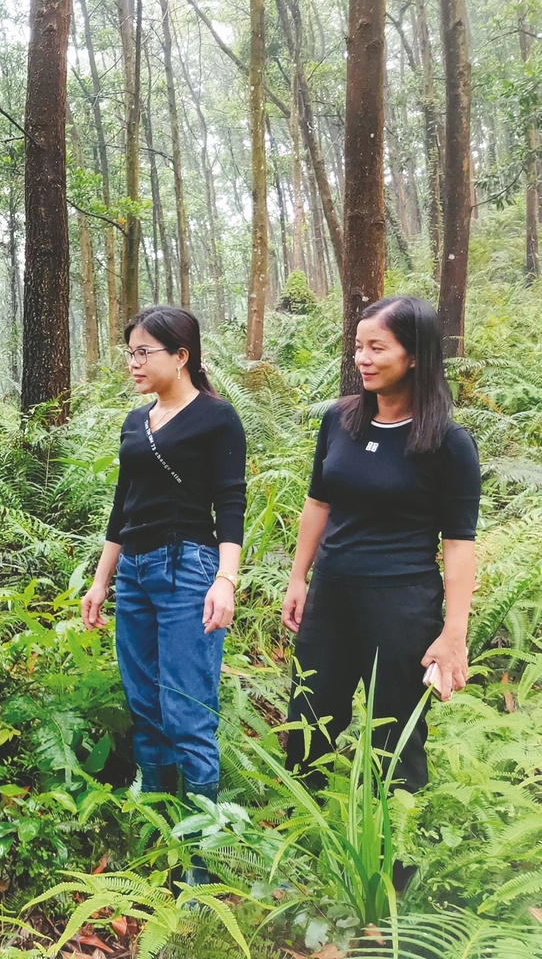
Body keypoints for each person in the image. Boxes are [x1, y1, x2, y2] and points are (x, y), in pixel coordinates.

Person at [283, 294, 478, 800]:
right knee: (308, 716)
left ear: (414, 355)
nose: (362, 359)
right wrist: (299, 577)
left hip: (400, 604)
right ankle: (309, 833)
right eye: (358, 347)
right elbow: (318, 504)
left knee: (396, 734)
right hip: (330, 593)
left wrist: (453, 634)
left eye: (377, 348)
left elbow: (459, 544)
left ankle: (397, 858)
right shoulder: (340, 420)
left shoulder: (447, 442)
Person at [81, 305, 246, 830]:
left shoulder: (217, 419)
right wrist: (101, 579)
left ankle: (201, 851)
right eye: (130, 352)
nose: (134, 362)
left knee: (187, 707)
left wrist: (226, 579)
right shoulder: (137, 421)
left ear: (181, 356)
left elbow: (231, 503)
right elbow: (122, 504)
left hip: (189, 569)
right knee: (145, 704)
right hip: (133, 572)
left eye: (144, 352)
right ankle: (159, 823)